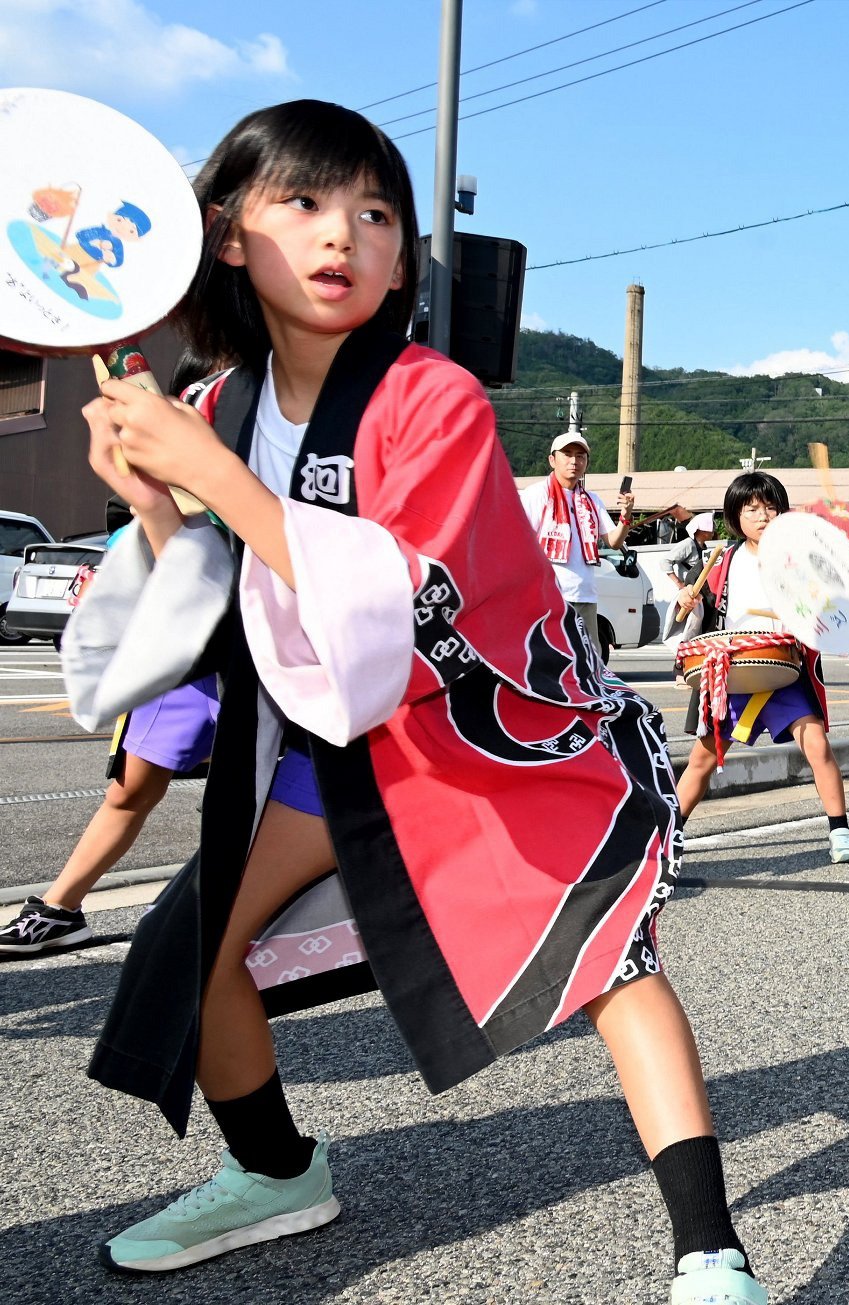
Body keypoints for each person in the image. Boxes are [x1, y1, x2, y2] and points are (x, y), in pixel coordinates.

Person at [64, 101, 763, 1300]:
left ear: (402, 259)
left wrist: (216, 482)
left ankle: (711, 1248)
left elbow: (406, 595)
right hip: (324, 744)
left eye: (375, 213)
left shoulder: (430, 396)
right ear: (227, 235)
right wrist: (157, 505)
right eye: (305, 203)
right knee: (189, 950)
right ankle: (278, 1170)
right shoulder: (219, 406)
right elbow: (212, 598)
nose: (345, 234)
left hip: (485, 734)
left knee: (607, 956)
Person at [673, 471, 849, 863]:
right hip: (734, 670)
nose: (762, 516)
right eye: (752, 509)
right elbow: (689, 617)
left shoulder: (799, 559)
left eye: (770, 507)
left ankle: (840, 831)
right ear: (735, 516)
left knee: (816, 743)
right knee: (702, 758)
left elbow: (827, 605)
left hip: (783, 668)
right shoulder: (721, 561)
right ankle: (667, 837)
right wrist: (688, 603)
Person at [0, 674, 219, 954]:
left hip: (260, 660)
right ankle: (60, 911)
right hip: (182, 663)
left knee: (258, 786)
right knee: (130, 792)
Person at [520, 428, 635, 648]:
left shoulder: (592, 499)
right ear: (552, 460)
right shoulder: (536, 494)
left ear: (586, 463)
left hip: (585, 596)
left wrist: (626, 515)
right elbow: (519, 542)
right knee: (549, 657)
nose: (574, 461)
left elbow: (614, 541)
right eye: (568, 454)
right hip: (548, 596)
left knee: (588, 661)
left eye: (580, 456)